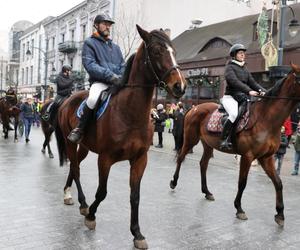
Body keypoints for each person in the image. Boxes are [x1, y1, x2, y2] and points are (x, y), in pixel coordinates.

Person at [67, 13, 125, 144]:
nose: (108, 27)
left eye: (109, 25)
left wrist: (122, 77)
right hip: (100, 82)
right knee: (92, 99)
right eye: (105, 24)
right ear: (96, 25)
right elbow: (90, 65)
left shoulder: (116, 47)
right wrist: (110, 76)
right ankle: (80, 129)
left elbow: (123, 65)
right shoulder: (89, 43)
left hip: (117, 83)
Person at [220, 43, 266, 150]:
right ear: (234, 55)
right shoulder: (229, 67)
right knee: (234, 114)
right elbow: (234, 82)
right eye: (240, 53)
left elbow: (253, 82)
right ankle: (223, 139)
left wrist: (264, 92)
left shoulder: (245, 68)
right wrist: (249, 91)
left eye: (243, 53)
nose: (242, 55)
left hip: (242, 97)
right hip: (230, 97)